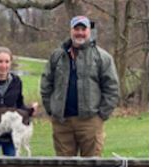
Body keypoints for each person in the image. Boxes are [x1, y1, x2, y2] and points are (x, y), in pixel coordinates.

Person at [40, 16, 119, 157]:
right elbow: (46, 84)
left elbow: (112, 89)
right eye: (77, 29)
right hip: (62, 123)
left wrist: (101, 115)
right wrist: (52, 109)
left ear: (89, 31)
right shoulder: (57, 56)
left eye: (84, 29)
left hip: (90, 122)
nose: (80, 33)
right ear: (71, 31)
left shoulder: (102, 57)